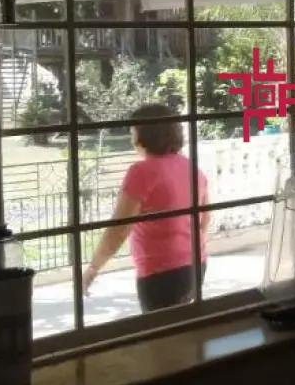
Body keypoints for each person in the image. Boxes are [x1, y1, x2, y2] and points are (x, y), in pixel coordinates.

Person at [83, 104, 210, 313]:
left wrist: (93, 268)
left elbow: (119, 230)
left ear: (143, 134)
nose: (131, 138)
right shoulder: (191, 167)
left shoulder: (141, 173)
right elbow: (204, 219)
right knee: (183, 327)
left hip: (160, 274)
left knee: (160, 332)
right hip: (196, 265)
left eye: (133, 131)